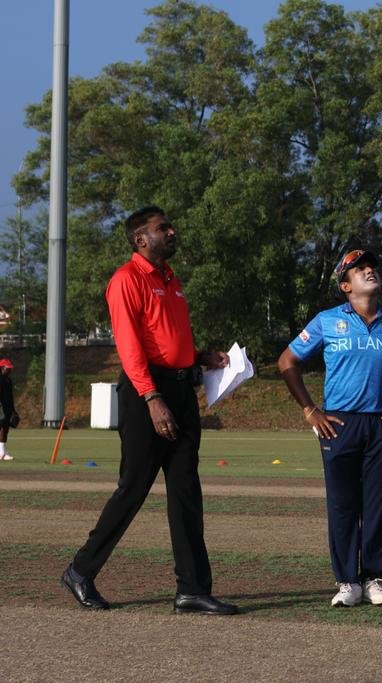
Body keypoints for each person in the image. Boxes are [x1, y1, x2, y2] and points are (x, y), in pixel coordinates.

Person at [61, 206, 238, 615]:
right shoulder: (126, 280)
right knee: (133, 488)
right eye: (163, 228)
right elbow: (130, 347)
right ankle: (80, 570)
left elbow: (168, 341)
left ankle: (192, 589)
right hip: (147, 396)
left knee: (186, 493)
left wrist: (200, 358)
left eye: (171, 226)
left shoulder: (171, 280)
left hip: (179, 391)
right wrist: (151, 398)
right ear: (141, 239)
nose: (172, 232)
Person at [278, 248, 382, 608]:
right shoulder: (327, 320)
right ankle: (347, 581)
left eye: (371, 266)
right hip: (338, 423)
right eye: (359, 269)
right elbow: (287, 361)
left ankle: (375, 579)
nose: (369, 270)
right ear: (345, 285)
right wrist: (310, 410)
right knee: (342, 504)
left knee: (378, 504)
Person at [0, 358, 19, 460]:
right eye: (8, 368)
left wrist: (13, 410)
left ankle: (2, 452)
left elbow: (10, 397)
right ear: (2, 368)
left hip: (7, 408)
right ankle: (1, 453)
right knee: (2, 428)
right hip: (1, 407)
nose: (10, 370)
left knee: (5, 429)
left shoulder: (8, 380)